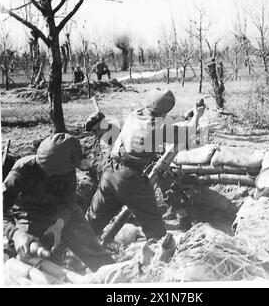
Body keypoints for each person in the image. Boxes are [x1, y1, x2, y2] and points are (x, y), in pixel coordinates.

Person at [85, 88, 206, 241]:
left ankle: (70, 250)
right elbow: (187, 131)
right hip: (129, 178)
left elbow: (162, 120)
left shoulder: (135, 114)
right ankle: (162, 258)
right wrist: (198, 116)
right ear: (164, 111)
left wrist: (186, 115)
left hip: (110, 170)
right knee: (154, 227)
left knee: (93, 219)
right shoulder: (157, 129)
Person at [3, 133, 114, 272]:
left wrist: (59, 224)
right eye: (46, 171)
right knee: (26, 253)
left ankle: (114, 274)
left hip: (58, 212)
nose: (49, 175)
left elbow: (70, 201)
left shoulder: (67, 170)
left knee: (88, 244)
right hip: (28, 214)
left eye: (54, 173)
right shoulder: (22, 170)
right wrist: (15, 233)